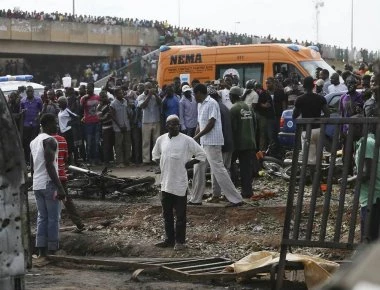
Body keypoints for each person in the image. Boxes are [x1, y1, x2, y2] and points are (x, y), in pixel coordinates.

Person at [152, 115, 206, 250]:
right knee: (167, 215)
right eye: (172, 124)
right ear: (167, 126)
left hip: (180, 184)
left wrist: (189, 163)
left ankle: (180, 242)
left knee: (180, 215)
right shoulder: (161, 139)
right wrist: (162, 164)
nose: (175, 127)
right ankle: (169, 240)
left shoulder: (187, 140)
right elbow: (155, 155)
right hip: (165, 183)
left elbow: (202, 155)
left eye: (177, 125)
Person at [188, 84, 244, 207]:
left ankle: (236, 199)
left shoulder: (212, 103)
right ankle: (196, 199)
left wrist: (197, 137)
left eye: (194, 94)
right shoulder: (200, 105)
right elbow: (199, 124)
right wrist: (194, 139)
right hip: (204, 142)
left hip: (213, 142)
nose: (193, 97)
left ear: (199, 93)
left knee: (219, 170)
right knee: (198, 167)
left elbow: (211, 123)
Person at [30, 113, 66, 259]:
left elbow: (32, 167)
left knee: (42, 217)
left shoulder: (33, 142)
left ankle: (41, 251)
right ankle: (52, 250)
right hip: (49, 183)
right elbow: (49, 164)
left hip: (37, 184)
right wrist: (60, 187)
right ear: (48, 124)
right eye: (55, 123)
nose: (56, 126)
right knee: (53, 217)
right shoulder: (50, 141)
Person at [51, 131, 85, 233]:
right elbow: (66, 157)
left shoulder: (43, 140)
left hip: (49, 176)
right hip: (61, 174)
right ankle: (79, 223)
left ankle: (51, 227)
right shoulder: (62, 139)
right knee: (67, 200)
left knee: (49, 201)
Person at [293, 76, 330, 165]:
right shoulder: (321, 98)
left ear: (303, 86)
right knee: (319, 156)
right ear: (314, 86)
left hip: (306, 131)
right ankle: (318, 176)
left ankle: (312, 177)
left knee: (309, 159)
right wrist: (318, 119)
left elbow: (295, 115)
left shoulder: (300, 99)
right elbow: (327, 114)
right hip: (318, 130)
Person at [229, 87, 256, 198]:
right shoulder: (249, 107)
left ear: (232, 96)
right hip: (250, 141)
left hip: (239, 143)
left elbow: (232, 128)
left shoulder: (234, 109)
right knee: (246, 168)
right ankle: (247, 191)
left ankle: (233, 187)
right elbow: (255, 124)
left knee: (229, 164)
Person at [137, 82, 162, 164]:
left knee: (156, 141)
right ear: (144, 88)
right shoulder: (141, 96)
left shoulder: (156, 96)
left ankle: (156, 158)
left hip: (156, 120)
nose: (150, 89)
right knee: (146, 141)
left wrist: (155, 94)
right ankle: (146, 160)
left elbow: (160, 103)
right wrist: (149, 95)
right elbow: (142, 106)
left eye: (151, 87)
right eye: (148, 87)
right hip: (146, 121)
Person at [110, 87, 132, 167]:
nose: (121, 94)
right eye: (119, 93)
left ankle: (127, 161)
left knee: (127, 144)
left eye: (122, 93)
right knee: (119, 145)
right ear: (115, 94)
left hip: (127, 126)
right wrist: (120, 126)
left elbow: (128, 113)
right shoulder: (113, 104)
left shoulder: (125, 101)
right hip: (118, 128)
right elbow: (113, 116)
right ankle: (119, 161)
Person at [21, 86, 43, 165]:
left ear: (33, 91)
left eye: (30, 91)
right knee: (26, 143)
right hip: (26, 125)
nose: (29, 93)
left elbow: (41, 110)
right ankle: (27, 160)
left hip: (35, 125)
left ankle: (35, 160)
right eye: (27, 91)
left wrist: (38, 116)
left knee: (34, 142)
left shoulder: (38, 100)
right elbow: (21, 111)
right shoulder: (23, 101)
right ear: (26, 92)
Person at [80, 82, 101, 166]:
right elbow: (80, 108)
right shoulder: (83, 98)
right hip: (88, 123)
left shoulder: (97, 97)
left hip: (97, 122)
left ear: (93, 88)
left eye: (89, 88)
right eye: (87, 88)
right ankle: (90, 160)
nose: (88, 89)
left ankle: (97, 159)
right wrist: (84, 99)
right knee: (89, 142)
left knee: (96, 142)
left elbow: (101, 108)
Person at [57, 96, 78, 164]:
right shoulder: (60, 111)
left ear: (64, 103)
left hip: (68, 131)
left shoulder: (67, 110)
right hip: (62, 132)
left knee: (69, 149)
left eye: (59, 103)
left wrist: (70, 123)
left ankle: (72, 164)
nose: (58, 104)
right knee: (63, 148)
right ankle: (66, 164)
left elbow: (76, 117)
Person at [97, 90, 114, 165]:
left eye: (105, 96)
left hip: (114, 127)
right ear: (100, 98)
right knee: (106, 145)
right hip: (105, 128)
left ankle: (112, 159)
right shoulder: (99, 107)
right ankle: (106, 161)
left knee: (113, 144)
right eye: (102, 97)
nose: (104, 98)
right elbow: (99, 118)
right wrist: (106, 116)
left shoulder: (111, 104)